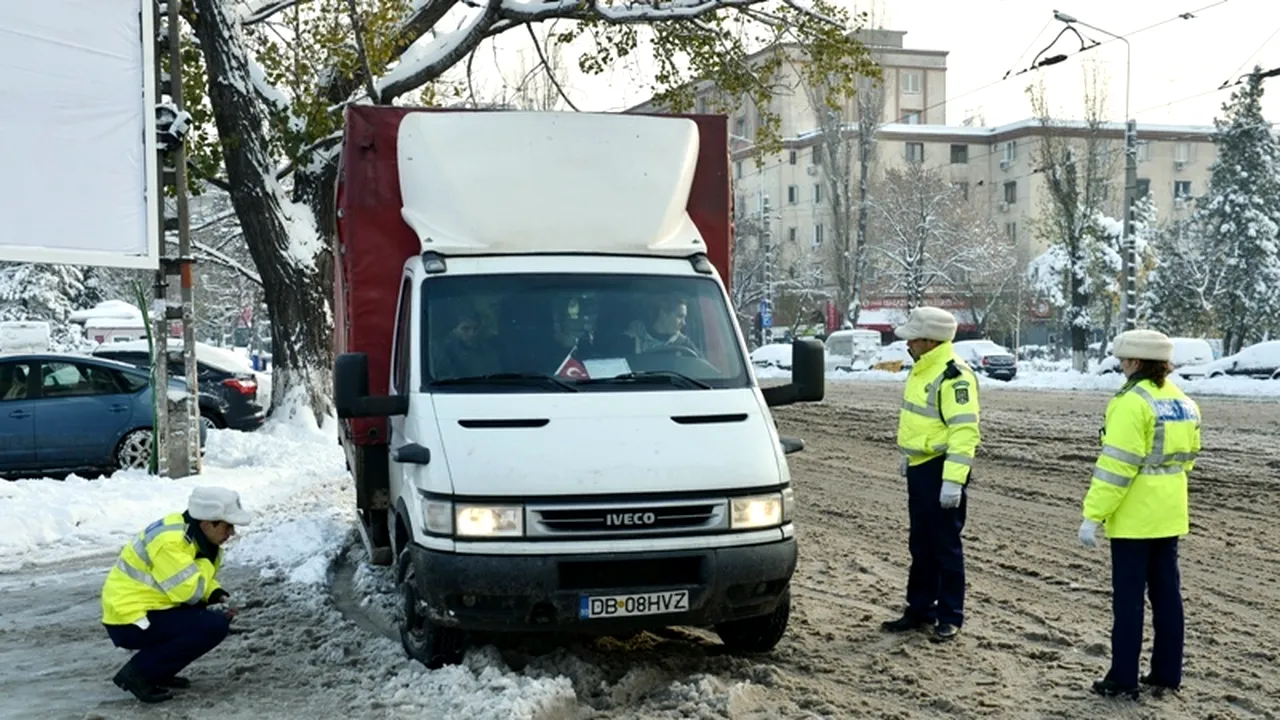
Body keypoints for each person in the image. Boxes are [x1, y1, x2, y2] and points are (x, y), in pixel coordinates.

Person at [1078, 329, 1201, 700]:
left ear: (1133, 362)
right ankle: (1166, 673)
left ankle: (1123, 677)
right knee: (1167, 597)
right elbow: (1189, 457)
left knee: (1128, 601)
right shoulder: (1182, 401)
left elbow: (1116, 467)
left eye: (1122, 360)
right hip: (1170, 514)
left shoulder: (1131, 402)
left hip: (1134, 518)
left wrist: (1093, 515)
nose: (1120, 366)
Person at [880, 306, 982, 642]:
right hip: (921, 468)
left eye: (913, 339)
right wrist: (909, 456)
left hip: (942, 470)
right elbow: (918, 421)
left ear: (930, 341)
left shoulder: (955, 377)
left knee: (945, 546)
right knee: (920, 543)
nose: (907, 344)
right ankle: (919, 608)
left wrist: (953, 481)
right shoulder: (922, 370)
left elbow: (964, 433)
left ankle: (950, 614)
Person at [100, 487, 252, 703]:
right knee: (212, 626)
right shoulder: (171, 543)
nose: (232, 533)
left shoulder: (192, 535)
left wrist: (217, 595)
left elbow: (199, 582)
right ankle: (138, 674)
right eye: (228, 526)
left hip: (146, 609)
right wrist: (206, 568)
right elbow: (190, 592)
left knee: (208, 620)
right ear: (207, 523)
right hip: (130, 620)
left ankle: (158, 672)